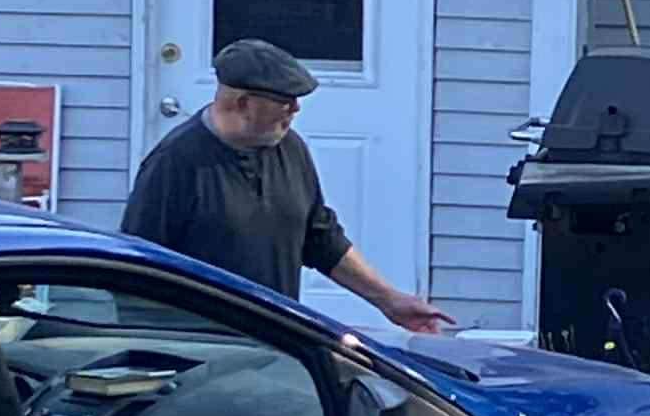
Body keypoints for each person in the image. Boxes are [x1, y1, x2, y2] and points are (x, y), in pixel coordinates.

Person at [122, 38, 455, 334]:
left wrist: (390, 301)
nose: (296, 109)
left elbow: (320, 239)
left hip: (277, 339)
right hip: (207, 350)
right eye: (285, 100)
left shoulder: (289, 148)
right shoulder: (175, 164)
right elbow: (139, 271)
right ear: (243, 103)